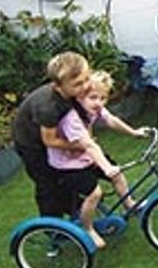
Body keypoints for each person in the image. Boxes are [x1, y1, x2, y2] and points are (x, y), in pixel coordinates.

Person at [50, 70, 149, 248]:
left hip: (87, 156)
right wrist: (105, 167)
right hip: (68, 165)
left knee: (117, 174)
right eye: (94, 97)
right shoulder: (71, 117)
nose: (99, 103)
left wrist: (134, 133)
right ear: (80, 96)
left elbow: (111, 120)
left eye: (103, 98)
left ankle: (129, 203)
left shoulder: (93, 109)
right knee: (95, 193)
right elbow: (88, 145)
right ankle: (88, 229)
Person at [12, 52, 92, 217]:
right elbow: (49, 140)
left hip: (50, 133)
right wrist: (77, 145)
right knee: (47, 183)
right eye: (78, 84)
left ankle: (73, 206)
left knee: (64, 173)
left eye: (86, 79)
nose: (85, 86)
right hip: (31, 143)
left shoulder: (71, 93)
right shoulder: (48, 107)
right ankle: (53, 226)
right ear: (57, 86)